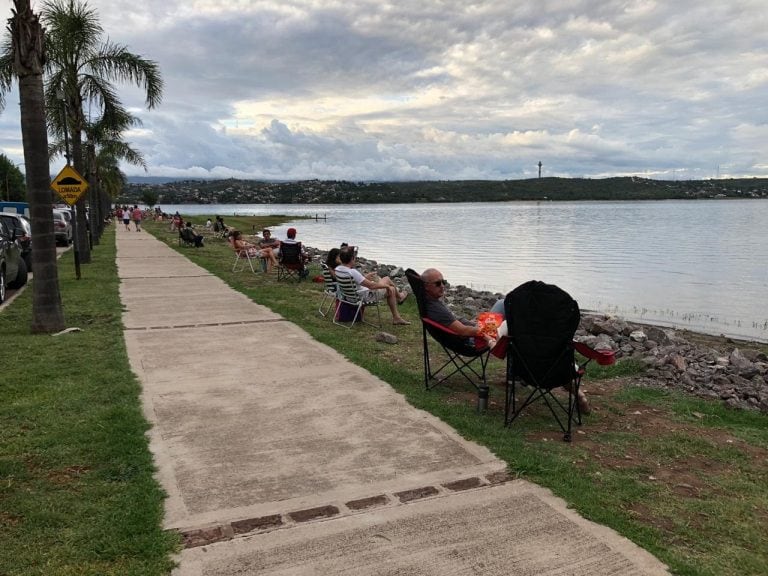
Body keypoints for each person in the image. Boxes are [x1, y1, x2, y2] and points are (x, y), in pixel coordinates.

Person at [421, 268, 591, 413]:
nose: (442, 286)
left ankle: (516, 366)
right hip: (477, 340)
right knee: (510, 316)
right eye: (437, 283)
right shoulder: (436, 309)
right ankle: (533, 328)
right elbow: (463, 331)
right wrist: (485, 331)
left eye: (443, 282)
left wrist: (477, 323)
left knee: (505, 305)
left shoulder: (431, 303)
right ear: (426, 287)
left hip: (483, 336)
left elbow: (460, 324)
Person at [335, 247, 410, 325]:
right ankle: (398, 309)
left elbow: (355, 282)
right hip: (363, 297)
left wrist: (365, 277)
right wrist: (386, 286)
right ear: (352, 258)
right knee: (390, 286)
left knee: (388, 282)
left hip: (349, 297)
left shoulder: (338, 269)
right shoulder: (352, 272)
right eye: (355, 257)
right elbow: (372, 286)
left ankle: (399, 303)